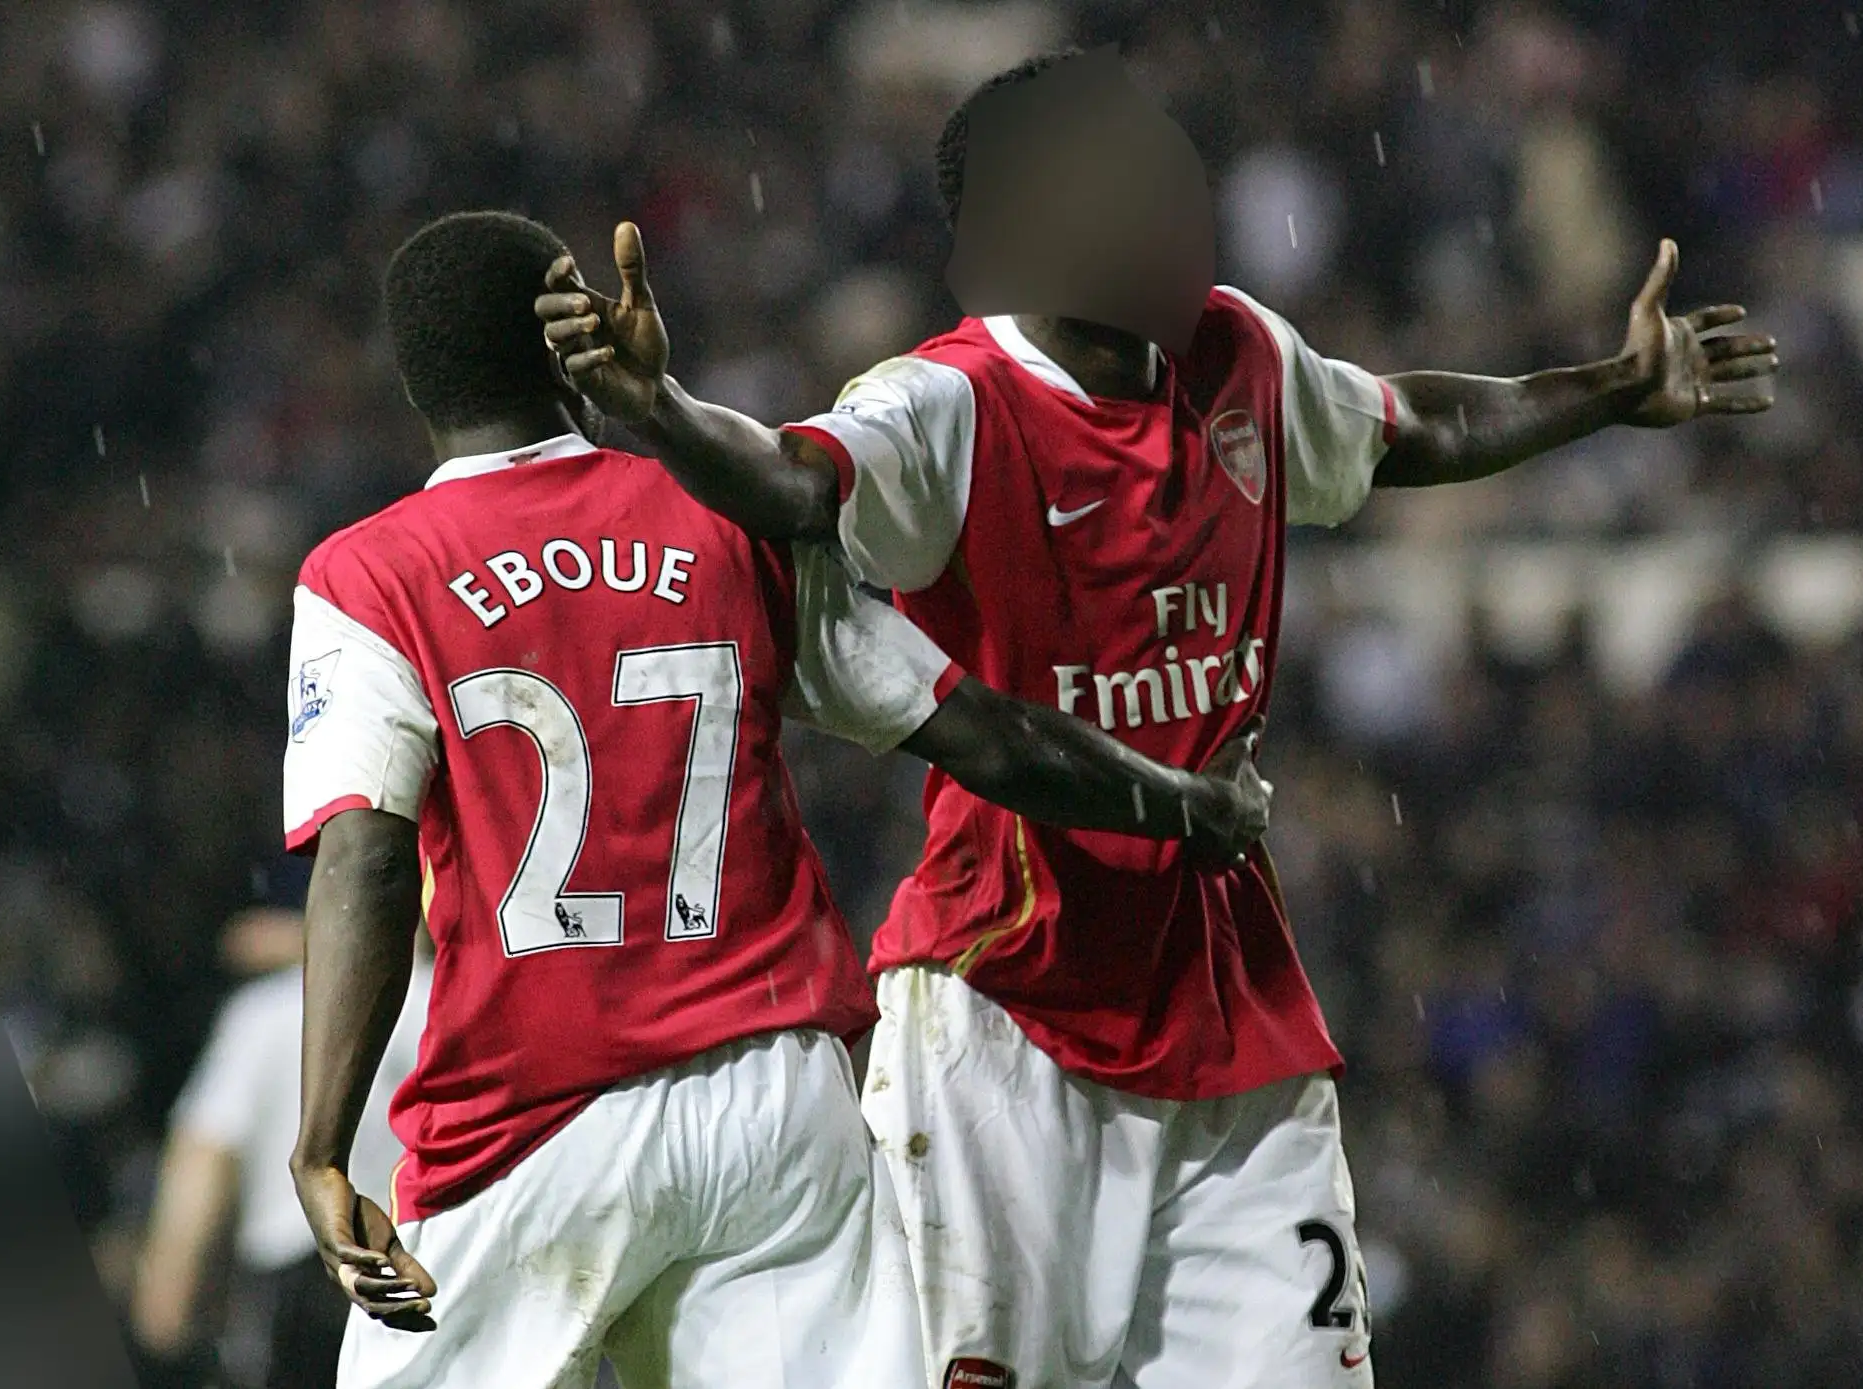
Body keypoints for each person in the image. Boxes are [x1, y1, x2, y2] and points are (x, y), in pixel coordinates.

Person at [534, 50, 1782, 1389]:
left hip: (1230, 1013)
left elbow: (1405, 425)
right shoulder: (949, 402)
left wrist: (1607, 390)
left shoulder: (1239, 351)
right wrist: (658, 409)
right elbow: (795, 482)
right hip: (1010, 1006)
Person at [285, 209, 1272, 1389]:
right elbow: (978, 733)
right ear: (571, 344)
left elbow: (366, 858)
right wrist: (1183, 802)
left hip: (530, 1112)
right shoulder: (723, 517)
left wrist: (322, 1145)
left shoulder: (368, 575)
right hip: (770, 1099)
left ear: (413, 382)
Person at [130, 856, 431, 1389]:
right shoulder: (444, 1007)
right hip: (429, 1286)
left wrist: (168, 1301)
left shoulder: (266, 1014)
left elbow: (205, 1161)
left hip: (302, 1298)